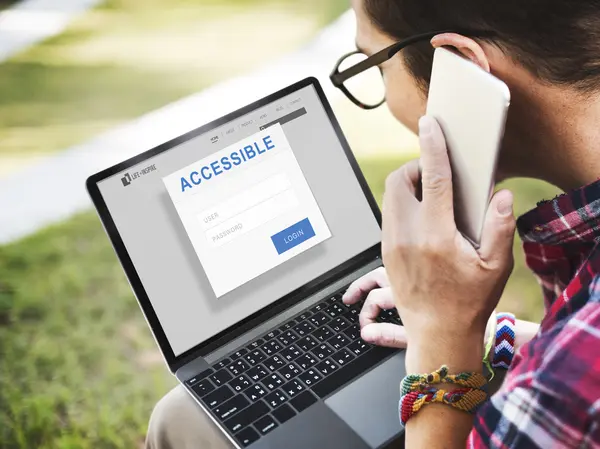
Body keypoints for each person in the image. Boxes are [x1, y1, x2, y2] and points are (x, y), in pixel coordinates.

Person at [146, 0, 600, 447]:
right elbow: (567, 351)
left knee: (178, 421)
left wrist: (442, 341)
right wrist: (483, 334)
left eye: (375, 66)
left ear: (463, 69)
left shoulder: (570, 387)